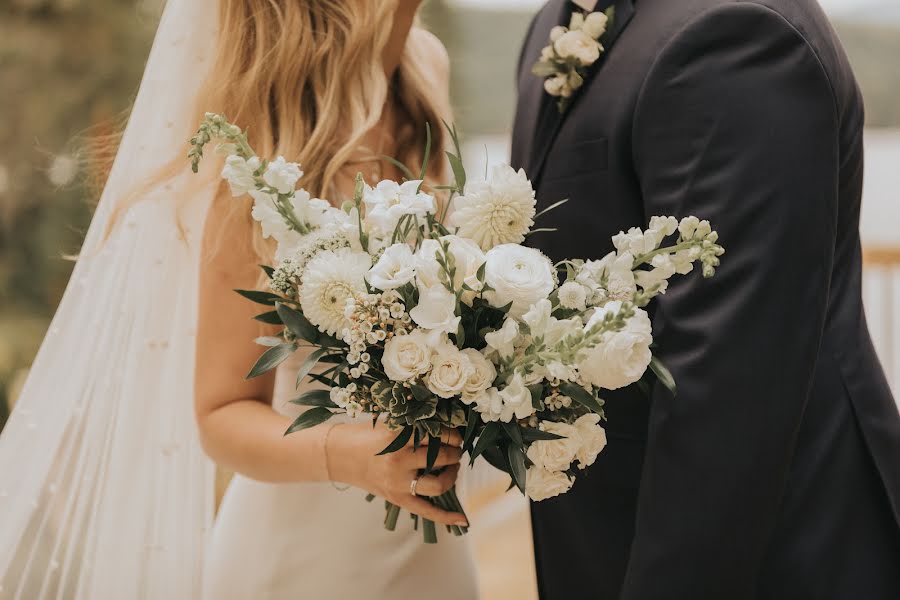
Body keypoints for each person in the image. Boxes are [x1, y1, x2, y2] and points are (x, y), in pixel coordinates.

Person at [0, 1, 477, 598]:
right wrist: (358, 454)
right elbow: (221, 415)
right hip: (303, 554)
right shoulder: (266, 127)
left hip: (432, 546)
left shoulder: (425, 66)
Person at [512, 0, 900, 598]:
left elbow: (729, 392)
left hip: (762, 555)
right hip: (598, 532)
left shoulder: (736, 35)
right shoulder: (553, 22)